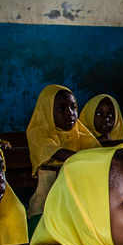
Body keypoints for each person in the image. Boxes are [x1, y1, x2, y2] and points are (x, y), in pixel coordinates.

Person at [23, 84, 99, 213]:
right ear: (47, 111)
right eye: (61, 109)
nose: (69, 113)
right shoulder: (38, 131)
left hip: (77, 201)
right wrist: (84, 158)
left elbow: (95, 148)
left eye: (73, 107)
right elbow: (55, 152)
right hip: (47, 203)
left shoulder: (78, 130)